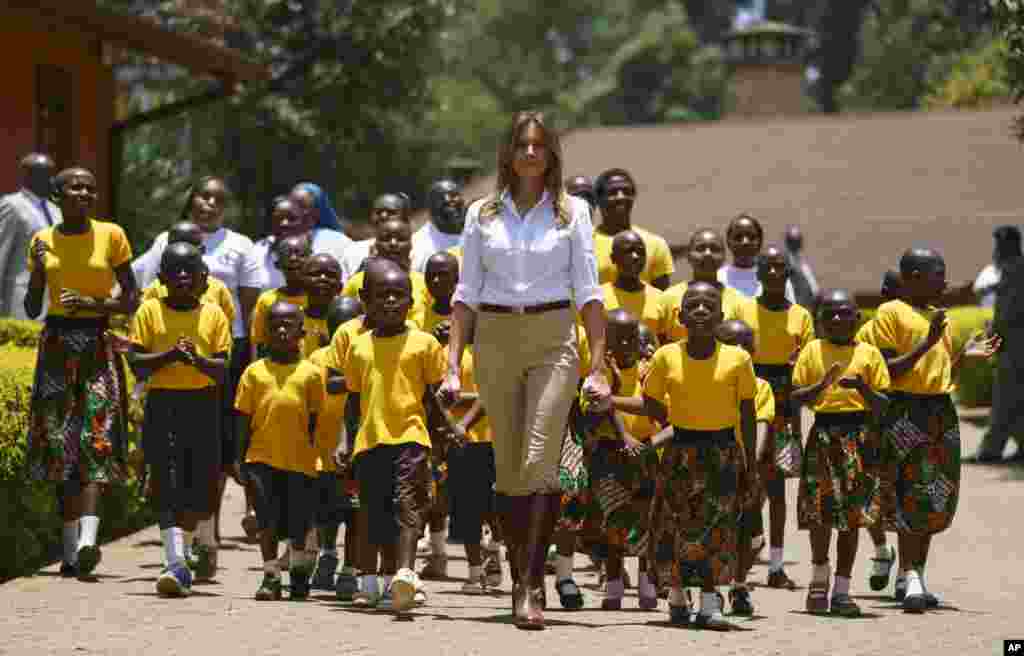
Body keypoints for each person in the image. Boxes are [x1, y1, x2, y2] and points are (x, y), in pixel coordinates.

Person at [439, 110, 610, 630]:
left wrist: (598, 368)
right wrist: (452, 365)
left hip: (554, 336)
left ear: (551, 153)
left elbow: (590, 293)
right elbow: (465, 294)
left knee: (540, 457)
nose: (530, 153)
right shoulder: (481, 214)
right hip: (493, 339)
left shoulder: (572, 212)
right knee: (509, 467)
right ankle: (517, 569)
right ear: (508, 153)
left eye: (539, 145)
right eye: (522, 145)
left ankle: (532, 581)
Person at [857, 248, 998, 612]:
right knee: (912, 491)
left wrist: (966, 354)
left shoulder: (939, 317)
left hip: (940, 410)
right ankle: (911, 574)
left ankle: (912, 574)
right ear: (914, 277)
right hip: (906, 410)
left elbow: (941, 373)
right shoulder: (892, 313)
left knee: (937, 491)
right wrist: (927, 342)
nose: (946, 281)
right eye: (939, 274)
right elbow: (889, 372)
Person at [132, 176, 262, 541]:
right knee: (169, 455)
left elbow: (247, 310)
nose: (209, 204)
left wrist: (241, 357)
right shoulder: (163, 243)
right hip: (166, 369)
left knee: (213, 446)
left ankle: (206, 528)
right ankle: (191, 534)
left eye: (218, 199)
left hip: (220, 353)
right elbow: (142, 296)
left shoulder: (239, 246)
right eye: (203, 196)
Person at [24, 167, 139, 579]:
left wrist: (92, 302)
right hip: (55, 347)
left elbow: (131, 300)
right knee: (59, 445)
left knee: (98, 436)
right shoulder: (41, 240)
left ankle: (90, 541)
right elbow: (32, 307)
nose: (85, 193)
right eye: (76, 187)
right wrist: (39, 270)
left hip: (95, 344)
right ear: (57, 195)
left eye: (91, 187)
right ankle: (70, 553)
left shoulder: (112, 235)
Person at [640, 282, 757, 630]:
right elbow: (650, 398)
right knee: (676, 525)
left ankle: (709, 603)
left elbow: (748, 412)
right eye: (693, 305)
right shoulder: (666, 356)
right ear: (680, 316)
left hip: (722, 452)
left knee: (717, 529)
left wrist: (749, 462)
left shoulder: (738, 359)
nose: (702, 310)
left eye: (709, 305)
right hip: (681, 451)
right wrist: (672, 419)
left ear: (721, 316)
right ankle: (677, 596)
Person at [338, 266, 453, 613]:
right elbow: (353, 401)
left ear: (411, 300)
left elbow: (433, 397)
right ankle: (370, 583)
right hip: (370, 443)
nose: (390, 301)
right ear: (364, 301)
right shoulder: (357, 348)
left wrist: (448, 432)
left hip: (412, 440)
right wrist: (345, 443)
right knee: (371, 514)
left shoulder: (425, 343)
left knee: (408, 508)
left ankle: (405, 574)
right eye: (381, 295)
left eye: (398, 294)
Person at [129, 243, 231, 596]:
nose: (183, 277)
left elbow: (221, 369)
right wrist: (171, 355)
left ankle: (182, 558)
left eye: (191, 271)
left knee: (198, 488)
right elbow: (137, 362)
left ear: (204, 279)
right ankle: (174, 562)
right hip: (164, 404)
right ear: (162, 278)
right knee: (166, 480)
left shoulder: (214, 314)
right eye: (175, 271)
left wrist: (195, 361)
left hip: (202, 405)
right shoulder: (149, 310)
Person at [791, 290, 890, 617]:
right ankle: (819, 577)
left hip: (859, 438)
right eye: (829, 314)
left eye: (844, 313)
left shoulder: (870, 354)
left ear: (857, 318)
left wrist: (863, 388)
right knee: (820, 514)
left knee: (852, 518)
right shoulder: (812, 351)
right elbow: (795, 398)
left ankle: (843, 590)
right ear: (819, 320)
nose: (836, 319)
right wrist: (820, 387)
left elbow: (884, 403)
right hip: (823, 435)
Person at [734, 245, 815, 590]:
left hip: (785, 405)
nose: (772, 273)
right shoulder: (742, 308)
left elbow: (808, 367)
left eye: (780, 267)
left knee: (778, 487)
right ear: (758, 272)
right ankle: (745, 546)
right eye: (766, 267)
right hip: (749, 399)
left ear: (787, 273)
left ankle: (777, 565)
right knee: (745, 478)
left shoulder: (801, 316)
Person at [236, 301, 325, 601]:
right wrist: (239, 460)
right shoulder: (254, 373)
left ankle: (299, 572)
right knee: (267, 521)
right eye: (274, 326)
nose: (282, 330)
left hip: (300, 463)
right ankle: (271, 575)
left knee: (299, 522)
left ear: (302, 331)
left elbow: (315, 420)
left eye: (289, 325)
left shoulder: (312, 374)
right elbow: (242, 420)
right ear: (265, 332)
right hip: (261, 459)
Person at [585, 309, 660, 611]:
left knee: (647, 519)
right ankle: (614, 583)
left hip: (645, 451)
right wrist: (622, 437)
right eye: (619, 338)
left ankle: (646, 582)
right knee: (612, 520)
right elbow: (597, 406)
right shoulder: (601, 370)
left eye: (632, 337)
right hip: (609, 453)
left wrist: (639, 441)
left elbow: (654, 406)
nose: (627, 344)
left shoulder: (648, 371)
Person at [714, 318, 774, 616]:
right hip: (712, 463)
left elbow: (760, 425)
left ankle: (738, 583)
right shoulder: (710, 379)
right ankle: (709, 588)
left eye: (745, 345)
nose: (738, 350)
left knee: (752, 537)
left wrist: (751, 464)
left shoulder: (762, 387)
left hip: (745, 467)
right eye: (730, 344)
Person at [442, 317, 504, 594]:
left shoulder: (496, 352)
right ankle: (474, 572)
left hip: (497, 439)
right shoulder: (447, 355)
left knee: (497, 508)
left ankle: (494, 547)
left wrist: (461, 400)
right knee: (468, 511)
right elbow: (437, 395)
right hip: (463, 443)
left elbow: (495, 393)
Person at [308, 296, 364, 593]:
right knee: (327, 512)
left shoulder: (368, 354)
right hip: (325, 448)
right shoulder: (318, 359)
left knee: (355, 512)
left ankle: (351, 569)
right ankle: (327, 553)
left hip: (358, 446)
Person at [418, 252, 460, 580]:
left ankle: (487, 551)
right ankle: (438, 551)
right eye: (431, 275)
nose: (437, 282)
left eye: (444, 275)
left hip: (470, 412)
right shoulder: (419, 316)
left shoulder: (469, 314)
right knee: (435, 484)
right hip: (430, 413)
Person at [978, 230, 1024, 463]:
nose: (994, 251)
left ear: (1005, 246)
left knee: (1004, 399)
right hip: (1015, 346)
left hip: (1014, 349)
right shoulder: (1016, 270)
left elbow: (1006, 316)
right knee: (1017, 401)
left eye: (997, 246)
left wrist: (992, 341)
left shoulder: (1012, 271)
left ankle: (990, 451)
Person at [661, 228, 753, 344]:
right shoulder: (668, 298)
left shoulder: (739, 301)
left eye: (715, 249)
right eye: (700, 249)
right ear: (688, 256)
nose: (708, 254)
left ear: (724, 257)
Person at [0, 153, 62, 320]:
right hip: (20, 299)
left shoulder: (56, 211)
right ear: (28, 177)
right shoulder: (12, 206)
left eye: (52, 174)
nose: (52, 180)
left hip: (52, 301)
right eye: (45, 174)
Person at [592, 168, 674, 290]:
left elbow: (662, 300)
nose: (621, 197)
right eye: (613, 192)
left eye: (627, 191)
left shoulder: (656, 244)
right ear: (598, 199)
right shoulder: (585, 243)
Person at [342, 217, 430, 328]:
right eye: (386, 238)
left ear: (411, 244)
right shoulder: (356, 282)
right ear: (375, 244)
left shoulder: (424, 283)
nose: (393, 243)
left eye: (401, 239)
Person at [253, 193, 347, 291]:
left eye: (292, 218)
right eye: (278, 219)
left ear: (305, 221)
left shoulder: (325, 251)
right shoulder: (258, 252)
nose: (284, 223)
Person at [598, 231, 673, 338]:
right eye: (628, 251)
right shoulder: (598, 298)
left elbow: (665, 342)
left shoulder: (660, 298)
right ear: (613, 258)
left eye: (640, 252)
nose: (635, 256)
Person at [249, 234, 312, 361]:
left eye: (300, 254)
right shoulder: (267, 300)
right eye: (287, 254)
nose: (294, 258)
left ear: (310, 259)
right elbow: (260, 343)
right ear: (277, 264)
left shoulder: (319, 298)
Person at [718, 213, 796, 302]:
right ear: (728, 242)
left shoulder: (776, 277)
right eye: (738, 237)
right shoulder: (719, 278)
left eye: (751, 237)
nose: (745, 242)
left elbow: (792, 312)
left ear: (759, 242)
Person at [340, 193, 412, 280]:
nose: (383, 216)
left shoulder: (420, 252)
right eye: (378, 212)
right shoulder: (353, 251)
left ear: (406, 217)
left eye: (391, 212)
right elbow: (347, 289)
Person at [410, 179, 466, 273]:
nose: (448, 200)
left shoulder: (475, 234)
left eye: (454, 195)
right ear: (430, 210)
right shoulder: (418, 246)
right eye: (440, 198)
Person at [301, 253, 343, 358]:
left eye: (331, 275)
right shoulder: (293, 320)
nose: (323, 278)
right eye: (315, 274)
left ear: (340, 287)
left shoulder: (346, 323)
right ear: (302, 283)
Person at [972, 226, 1021, 308]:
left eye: (1006, 246)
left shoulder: (1020, 271)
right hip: (989, 318)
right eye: (999, 245)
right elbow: (975, 297)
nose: (1000, 250)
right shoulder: (988, 272)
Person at [783, 225, 819, 309]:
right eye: (794, 242)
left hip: (805, 305)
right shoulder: (787, 263)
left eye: (798, 241)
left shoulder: (801, 261)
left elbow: (812, 285)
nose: (797, 244)